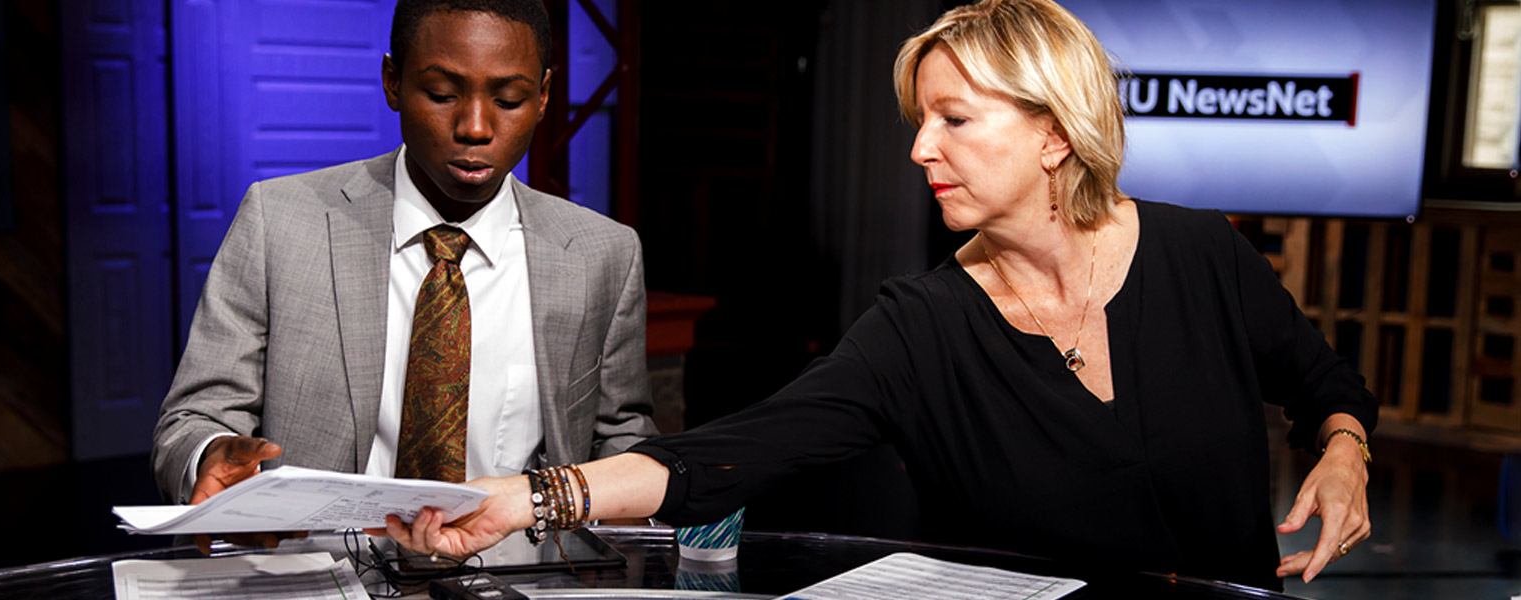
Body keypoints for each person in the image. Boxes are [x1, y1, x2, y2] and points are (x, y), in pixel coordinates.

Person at [376, 0, 1376, 590]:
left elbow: (1323, 378)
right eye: (916, 118)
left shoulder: (1202, 254)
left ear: (1054, 131)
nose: (917, 149)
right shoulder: (923, 325)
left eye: (954, 118)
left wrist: (1345, 453)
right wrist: (526, 500)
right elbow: (724, 456)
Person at [151, 0, 656, 550]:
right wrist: (212, 455)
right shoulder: (282, 221)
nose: (475, 127)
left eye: (509, 99)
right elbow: (193, 419)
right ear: (393, 81)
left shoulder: (601, 254)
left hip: (521, 576)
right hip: (320, 575)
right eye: (442, 94)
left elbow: (622, 446)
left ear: (543, 97)